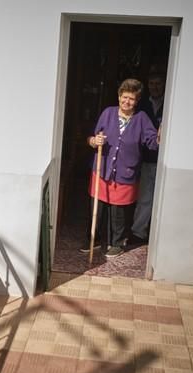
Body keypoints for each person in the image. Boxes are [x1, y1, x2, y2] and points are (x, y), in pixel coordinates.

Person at [81, 78, 159, 258]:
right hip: (103, 168)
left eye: (131, 99)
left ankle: (116, 243)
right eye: (124, 97)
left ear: (137, 101)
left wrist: (160, 137)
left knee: (119, 212)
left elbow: (152, 143)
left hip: (125, 171)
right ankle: (94, 239)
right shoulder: (108, 113)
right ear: (118, 97)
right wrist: (94, 141)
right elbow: (92, 137)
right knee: (97, 208)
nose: (127, 102)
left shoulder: (141, 119)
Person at [132, 72, 166, 244]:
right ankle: (138, 233)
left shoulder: (169, 104)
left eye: (158, 83)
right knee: (144, 197)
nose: (155, 87)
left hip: (165, 159)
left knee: (162, 199)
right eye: (151, 83)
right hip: (146, 159)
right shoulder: (142, 105)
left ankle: (158, 236)